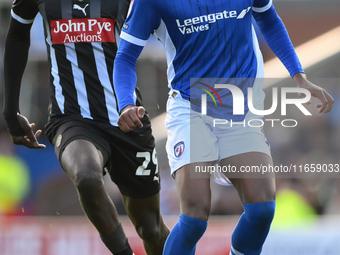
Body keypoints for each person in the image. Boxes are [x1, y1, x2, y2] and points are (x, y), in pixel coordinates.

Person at [113, 0, 334, 254]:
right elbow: (126, 55)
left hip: (240, 108)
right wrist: (126, 104)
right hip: (190, 107)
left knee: (262, 209)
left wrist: (298, 75)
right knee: (195, 217)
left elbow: (268, 19)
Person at [2, 0, 169, 254]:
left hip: (127, 116)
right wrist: (10, 110)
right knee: (87, 176)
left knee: (151, 228)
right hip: (70, 118)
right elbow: (16, 34)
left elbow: (170, 23)